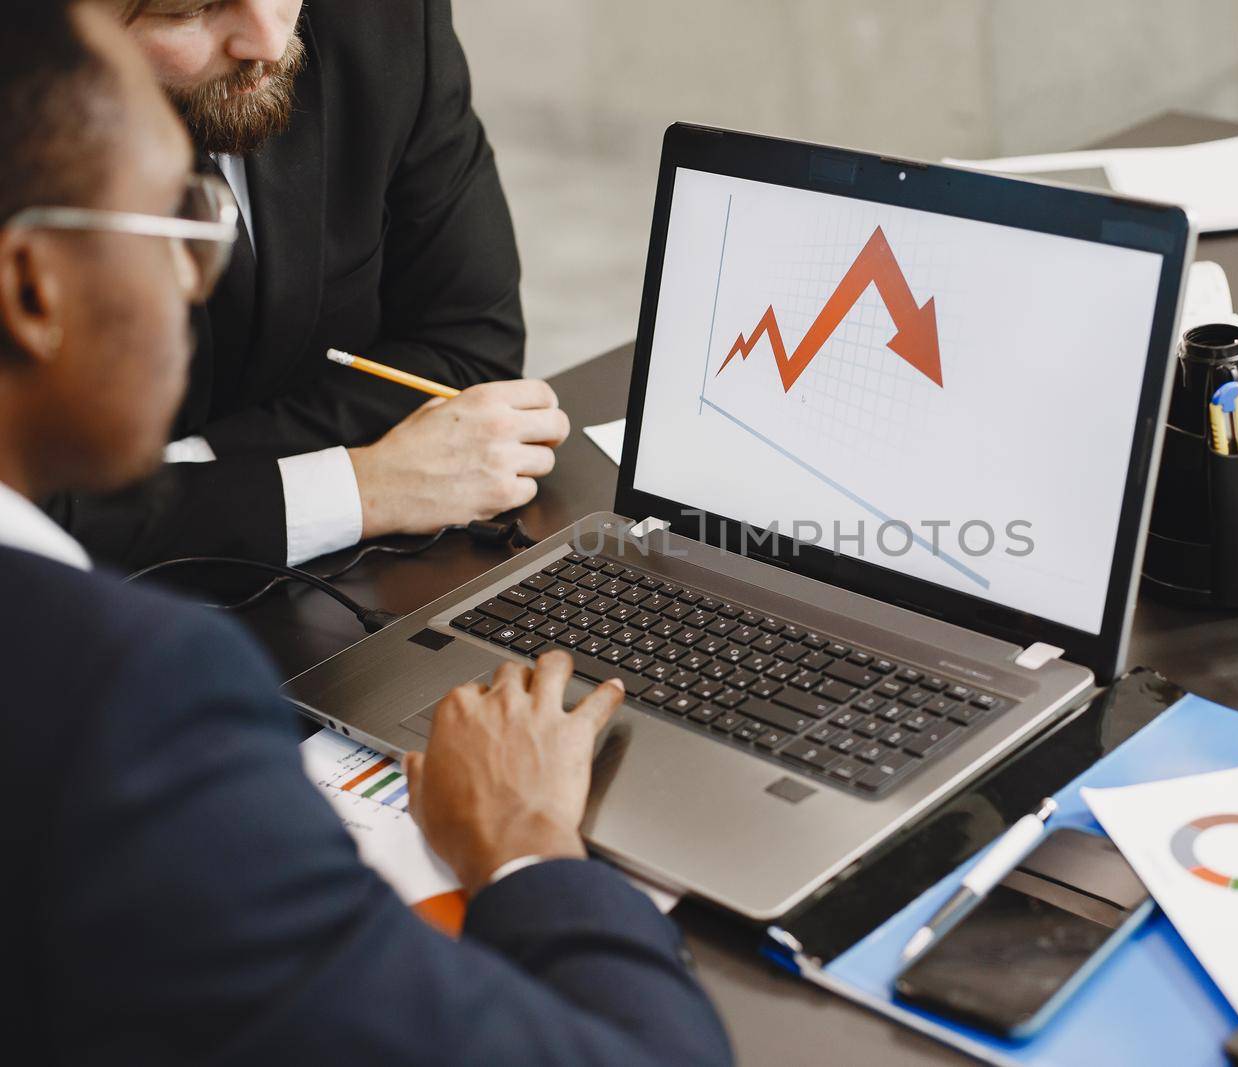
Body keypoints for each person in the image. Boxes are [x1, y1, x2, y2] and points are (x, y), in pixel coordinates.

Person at [0, 4, 731, 1062]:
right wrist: (529, 851)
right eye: (178, 223)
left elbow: (466, 347)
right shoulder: (127, 709)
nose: (207, 276)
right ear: (31, 286)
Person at [45, 0, 571, 570]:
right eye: (191, 10)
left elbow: (468, 354)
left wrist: (169, 481)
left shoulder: (384, 21)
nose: (271, 43)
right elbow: (24, 521)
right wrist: (359, 489)